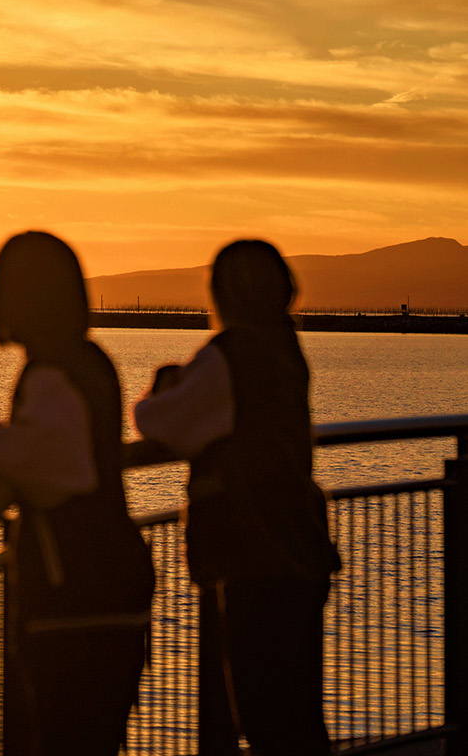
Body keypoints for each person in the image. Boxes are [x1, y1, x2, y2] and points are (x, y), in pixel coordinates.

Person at [134, 239, 340, 756]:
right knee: (297, 715)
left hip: (252, 555)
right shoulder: (284, 349)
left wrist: (163, 388)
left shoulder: (231, 354)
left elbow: (162, 422)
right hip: (301, 547)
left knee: (263, 714)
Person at [0, 231, 154, 756]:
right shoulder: (92, 360)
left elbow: (52, 464)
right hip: (114, 584)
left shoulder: (51, 374)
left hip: (75, 596)